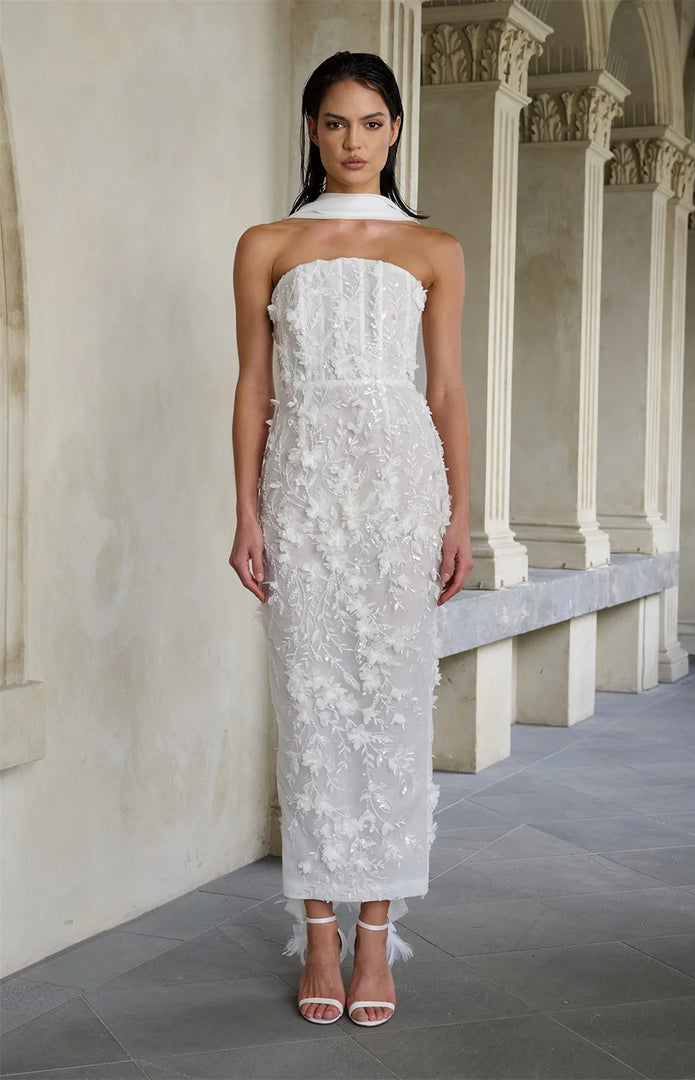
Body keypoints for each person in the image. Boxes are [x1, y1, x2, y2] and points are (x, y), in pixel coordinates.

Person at [230, 50, 472, 1028]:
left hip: (402, 492)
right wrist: (244, 512)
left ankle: (378, 935)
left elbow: (446, 388)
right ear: (311, 130)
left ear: (397, 130)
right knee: (314, 703)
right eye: (336, 123)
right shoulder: (266, 243)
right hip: (303, 492)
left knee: (393, 704)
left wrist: (461, 512)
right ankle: (317, 931)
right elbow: (253, 385)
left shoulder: (436, 249)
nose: (354, 142)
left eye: (372, 122)